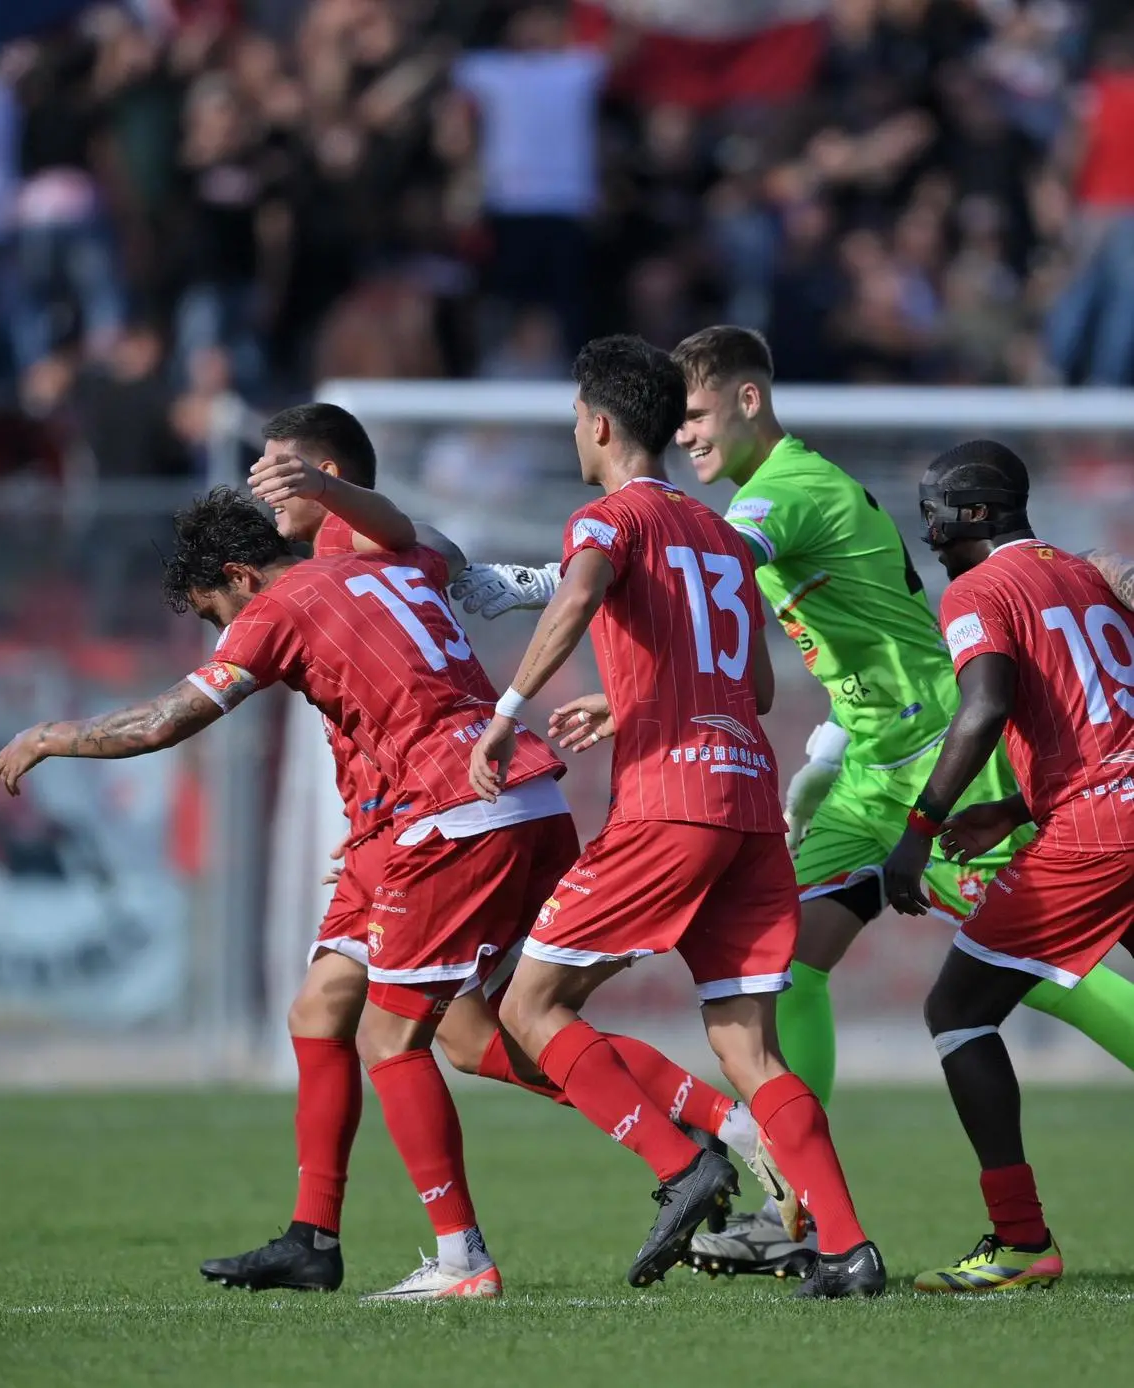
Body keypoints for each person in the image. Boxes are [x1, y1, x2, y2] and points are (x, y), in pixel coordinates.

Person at [450, 324, 1134, 1278]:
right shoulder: (758, 498)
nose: (685, 438)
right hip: (865, 770)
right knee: (790, 970)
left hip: (941, 757)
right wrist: (653, 691)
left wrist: (524, 584)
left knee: (1046, 971)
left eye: (695, 415)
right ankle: (802, 1212)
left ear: (748, 401)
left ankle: (951, 1222)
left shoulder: (788, 489)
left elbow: (678, 555)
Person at [197, 404, 784, 1295]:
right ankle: (315, 1235)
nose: (264, 486)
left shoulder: (366, 549)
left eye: (280, 470)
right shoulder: (330, 564)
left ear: (325, 471)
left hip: (441, 817)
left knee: (433, 1028)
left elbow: (425, 548)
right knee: (395, 1025)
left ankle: (486, 1241)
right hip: (400, 822)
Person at [468, 334, 883, 1299]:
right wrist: (634, 701)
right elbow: (758, 682)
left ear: (601, 424)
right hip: (747, 801)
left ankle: (678, 1162)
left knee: (527, 1007)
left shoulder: (607, 518)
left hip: (671, 805)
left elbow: (577, 593)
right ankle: (847, 1247)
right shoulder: (719, 531)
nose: (575, 431)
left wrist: (505, 714)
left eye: (576, 418)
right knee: (749, 1047)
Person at [882, 440, 1134, 1293]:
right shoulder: (1084, 573)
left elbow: (985, 706)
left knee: (957, 1007)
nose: (927, 525)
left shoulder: (980, 589)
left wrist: (920, 828)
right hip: (1113, 805)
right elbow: (1104, 715)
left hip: (1101, 830)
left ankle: (1018, 1237)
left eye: (937, 507)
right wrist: (1019, 808)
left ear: (979, 513)